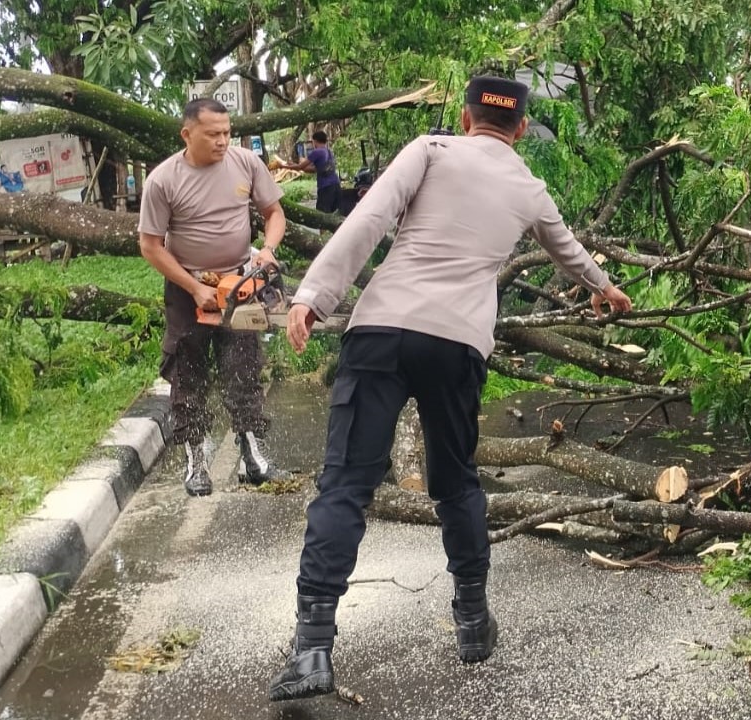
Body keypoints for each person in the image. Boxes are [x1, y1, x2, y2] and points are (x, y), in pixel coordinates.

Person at [268, 76, 633, 702]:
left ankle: (312, 649)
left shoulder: (429, 150)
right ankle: (471, 623)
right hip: (457, 343)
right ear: (520, 129)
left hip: (382, 330)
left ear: (466, 119)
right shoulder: (530, 187)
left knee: (347, 484)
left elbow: (370, 218)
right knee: (456, 481)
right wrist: (605, 288)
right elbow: (569, 252)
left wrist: (312, 297)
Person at [138, 98, 291, 497]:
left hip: (240, 281)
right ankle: (195, 458)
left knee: (243, 365)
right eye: (213, 134)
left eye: (227, 132)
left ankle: (253, 454)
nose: (223, 141)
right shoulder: (163, 180)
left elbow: (274, 213)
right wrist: (194, 288)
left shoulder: (245, 163)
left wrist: (268, 250)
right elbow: (151, 246)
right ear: (187, 135)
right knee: (188, 369)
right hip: (188, 285)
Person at [283, 130, 342, 214]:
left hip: (325, 188)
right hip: (336, 185)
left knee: (322, 215)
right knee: (334, 214)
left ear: (315, 141)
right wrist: (294, 165)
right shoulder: (328, 152)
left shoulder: (317, 152)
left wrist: (283, 166)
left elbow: (300, 167)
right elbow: (313, 169)